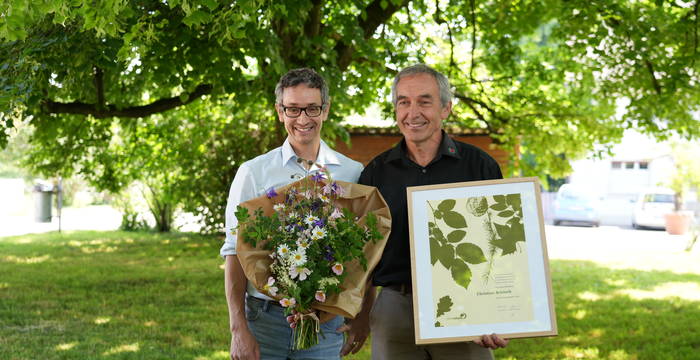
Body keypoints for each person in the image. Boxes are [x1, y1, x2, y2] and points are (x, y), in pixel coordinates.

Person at [353, 64, 510, 359]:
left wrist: (497, 312)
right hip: (395, 311)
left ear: (446, 108)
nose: (413, 113)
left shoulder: (479, 166)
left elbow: (500, 243)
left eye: (424, 101)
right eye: (404, 102)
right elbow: (365, 252)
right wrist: (362, 313)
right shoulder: (375, 172)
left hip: (466, 309)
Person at [220, 68, 364, 360]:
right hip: (264, 321)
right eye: (293, 109)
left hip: (325, 323)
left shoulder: (352, 172)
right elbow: (234, 250)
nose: (302, 119)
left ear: (325, 110)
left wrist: (361, 317)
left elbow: (362, 254)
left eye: (312, 108)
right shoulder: (253, 172)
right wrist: (238, 329)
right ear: (279, 111)